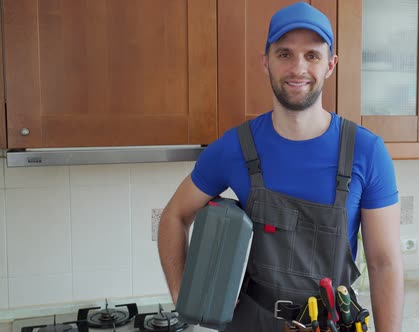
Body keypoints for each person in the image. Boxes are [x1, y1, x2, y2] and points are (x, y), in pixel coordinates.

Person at [158, 2, 404, 331]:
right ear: (267, 63)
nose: (298, 68)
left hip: (331, 323)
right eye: (285, 54)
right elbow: (174, 216)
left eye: (312, 55)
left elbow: (384, 263)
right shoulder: (234, 147)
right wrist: (182, 294)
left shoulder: (366, 151)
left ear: (330, 64)